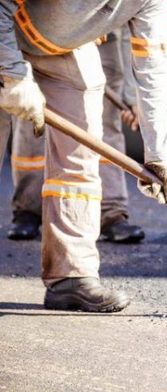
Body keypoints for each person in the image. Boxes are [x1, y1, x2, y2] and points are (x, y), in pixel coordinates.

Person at [0, 1, 167, 313]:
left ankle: (71, 275)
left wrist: (160, 155)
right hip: (4, 29)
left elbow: (153, 64)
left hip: (61, 48)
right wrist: (13, 73)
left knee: (81, 143)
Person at [8, 29, 145, 244]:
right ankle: (28, 210)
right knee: (32, 119)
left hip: (103, 40)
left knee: (104, 122)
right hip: (37, 35)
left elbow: (139, 36)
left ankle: (111, 213)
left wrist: (132, 95)